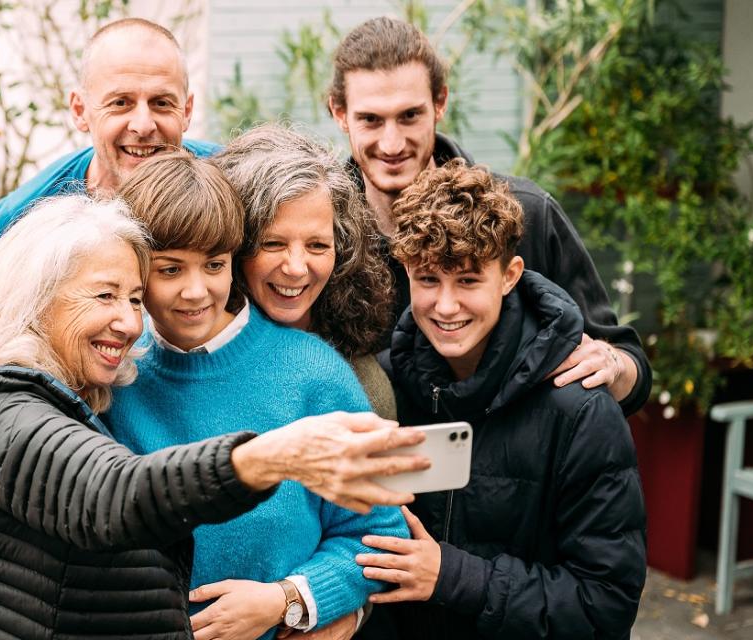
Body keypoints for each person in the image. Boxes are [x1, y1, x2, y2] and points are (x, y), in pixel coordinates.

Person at [0, 195, 431, 640]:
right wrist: (267, 456)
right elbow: (113, 493)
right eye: (106, 295)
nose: (130, 322)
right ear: (36, 300)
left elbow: (373, 534)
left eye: (133, 298)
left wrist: (293, 600)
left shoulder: (80, 390)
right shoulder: (8, 406)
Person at [110, 151, 404, 640]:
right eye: (169, 270)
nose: (196, 291)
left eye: (214, 265)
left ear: (234, 260)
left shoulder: (315, 372)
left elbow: (377, 534)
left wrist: (287, 599)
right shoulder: (115, 369)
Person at [355, 160, 647, 639]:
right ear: (406, 270)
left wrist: (452, 576)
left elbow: (605, 605)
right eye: (428, 280)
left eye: (468, 281)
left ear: (510, 275)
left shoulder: (580, 410)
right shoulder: (385, 389)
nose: (446, 306)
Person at [326, 17, 652, 416]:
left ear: (440, 103)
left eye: (410, 115)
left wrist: (614, 366)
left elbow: (628, 364)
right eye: (371, 120)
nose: (392, 142)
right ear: (339, 113)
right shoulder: (321, 236)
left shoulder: (526, 213)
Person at [0, 17, 218, 255]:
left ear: (186, 111)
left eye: (162, 103)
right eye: (121, 102)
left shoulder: (230, 182)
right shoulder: (23, 221)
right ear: (80, 110)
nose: (143, 126)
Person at [213, 123, 396, 419]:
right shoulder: (191, 349)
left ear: (343, 249)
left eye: (317, 246)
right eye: (272, 243)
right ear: (233, 245)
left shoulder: (361, 384)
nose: (296, 268)